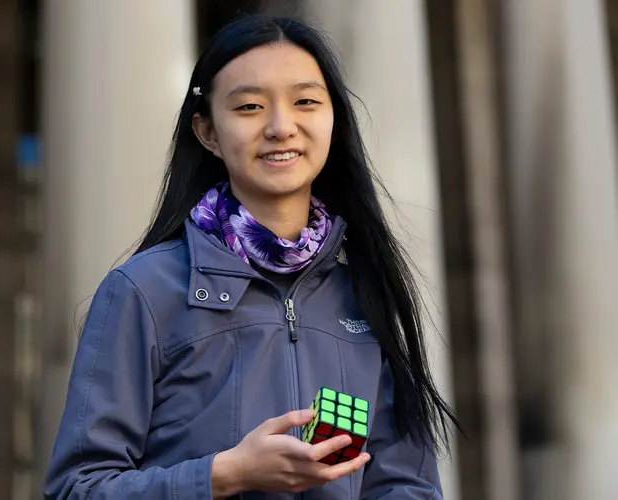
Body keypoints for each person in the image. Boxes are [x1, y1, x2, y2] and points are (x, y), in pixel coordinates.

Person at [43, 15, 458, 500]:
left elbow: (404, 484)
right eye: (250, 106)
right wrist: (225, 475)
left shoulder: (364, 295)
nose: (282, 127)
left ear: (335, 122)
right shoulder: (145, 291)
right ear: (207, 132)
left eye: (305, 101)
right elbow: (78, 488)